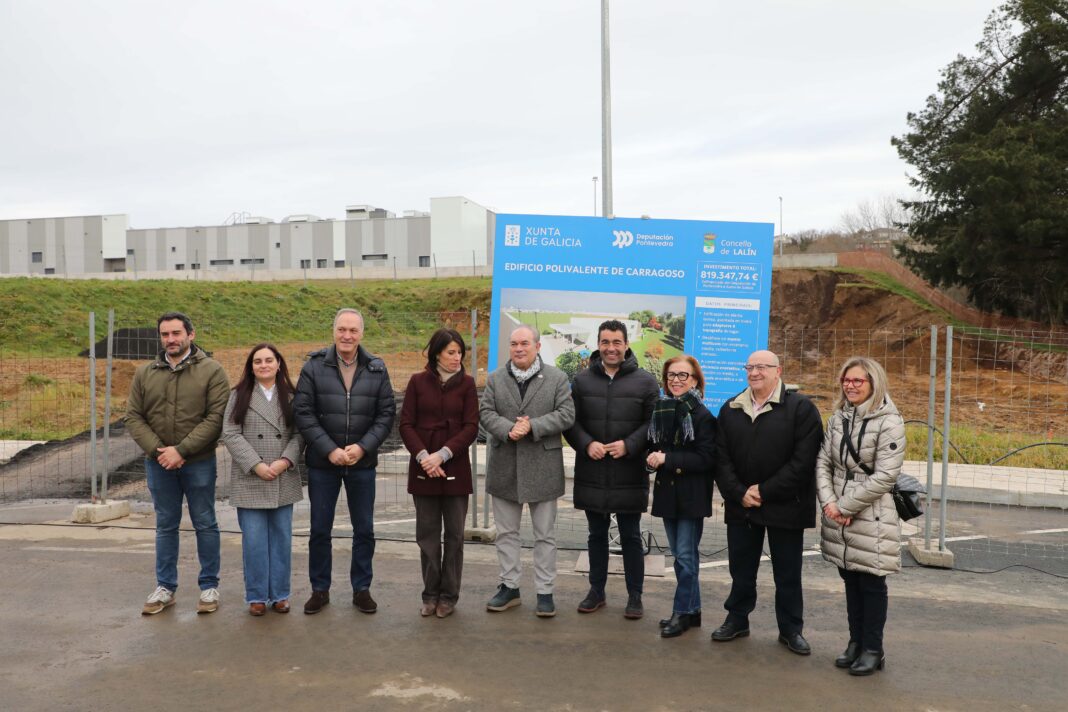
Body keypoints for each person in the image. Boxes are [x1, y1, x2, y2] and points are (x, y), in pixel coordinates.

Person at [712, 350, 822, 654]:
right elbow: (720, 458)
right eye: (750, 367)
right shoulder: (731, 408)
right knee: (741, 570)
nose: (754, 372)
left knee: (787, 573)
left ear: (778, 371)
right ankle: (737, 619)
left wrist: (764, 491)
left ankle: (790, 629)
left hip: (787, 505)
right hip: (742, 505)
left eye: (762, 367)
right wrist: (739, 492)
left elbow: (803, 461)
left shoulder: (801, 409)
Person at [126, 312, 230, 616]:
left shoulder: (212, 371)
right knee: (165, 524)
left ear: (190, 335)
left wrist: (182, 450)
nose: (171, 339)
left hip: (199, 462)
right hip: (158, 463)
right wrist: (159, 451)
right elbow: (134, 416)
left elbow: (216, 418)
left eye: (176, 333)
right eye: (165, 334)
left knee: (205, 522)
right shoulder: (145, 373)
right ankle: (165, 587)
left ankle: (209, 586)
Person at [293, 308, 396, 615]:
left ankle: (361, 589)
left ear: (361, 333)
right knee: (319, 530)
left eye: (353, 330)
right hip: (323, 464)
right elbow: (303, 412)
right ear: (333, 331)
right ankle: (319, 589)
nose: (347, 336)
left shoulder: (377, 368)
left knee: (364, 530)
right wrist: (329, 449)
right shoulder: (313, 367)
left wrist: (363, 448)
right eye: (342, 329)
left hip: (361, 465)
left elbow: (386, 414)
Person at [816, 357, 905, 676]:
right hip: (839, 509)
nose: (850, 386)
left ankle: (872, 648)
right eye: (846, 380)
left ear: (873, 383)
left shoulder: (889, 421)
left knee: (871, 582)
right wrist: (829, 501)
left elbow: (885, 476)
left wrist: (844, 507)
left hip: (871, 513)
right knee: (850, 577)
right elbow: (823, 462)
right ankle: (855, 642)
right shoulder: (838, 418)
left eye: (858, 381)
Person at [564, 320, 658, 619]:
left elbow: (653, 423)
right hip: (592, 470)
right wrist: (586, 443)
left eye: (617, 342)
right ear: (598, 344)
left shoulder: (646, 382)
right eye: (605, 342)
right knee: (596, 534)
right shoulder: (582, 381)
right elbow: (570, 421)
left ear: (626, 344)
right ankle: (596, 591)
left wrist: (630, 445)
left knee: (631, 535)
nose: (611, 348)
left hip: (629, 471)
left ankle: (635, 595)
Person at [479, 325, 575, 618]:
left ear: (537, 346)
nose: (518, 349)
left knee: (544, 536)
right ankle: (509, 587)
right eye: (514, 344)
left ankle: (545, 592)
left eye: (524, 343)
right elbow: (485, 413)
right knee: (506, 534)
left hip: (543, 468)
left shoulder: (557, 378)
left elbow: (566, 414)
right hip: (504, 466)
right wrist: (509, 429)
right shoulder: (495, 378)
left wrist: (532, 426)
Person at [399, 328, 479, 619]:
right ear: (436, 354)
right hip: (423, 470)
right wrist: (424, 458)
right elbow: (405, 424)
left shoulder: (467, 384)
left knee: (455, 536)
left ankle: (449, 596)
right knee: (428, 536)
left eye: (460, 353)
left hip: (455, 467)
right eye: (451, 352)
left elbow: (471, 427)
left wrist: (443, 454)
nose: (457, 358)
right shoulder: (417, 382)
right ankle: (430, 594)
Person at [221, 343, 303, 616]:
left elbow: (300, 434)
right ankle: (256, 595)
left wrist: (284, 461)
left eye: (269, 360)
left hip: (282, 475)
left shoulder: (292, 396)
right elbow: (230, 433)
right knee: (254, 541)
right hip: (251, 477)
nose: (264, 365)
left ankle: (280, 594)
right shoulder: (238, 395)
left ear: (279, 364)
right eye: (258, 361)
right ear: (251, 367)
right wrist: (256, 464)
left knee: (281, 539)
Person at [645, 355, 716, 638]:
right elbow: (653, 445)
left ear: (695, 380)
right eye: (671, 375)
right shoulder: (662, 410)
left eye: (683, 375)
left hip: (690, 496)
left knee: (685, 558)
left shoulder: (702, 416)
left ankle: (681, 612)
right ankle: (692, 610)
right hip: (668, 495)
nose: (676, 380)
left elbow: (707, 458)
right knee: (680, 556)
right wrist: (651, 458)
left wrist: (667, 459)